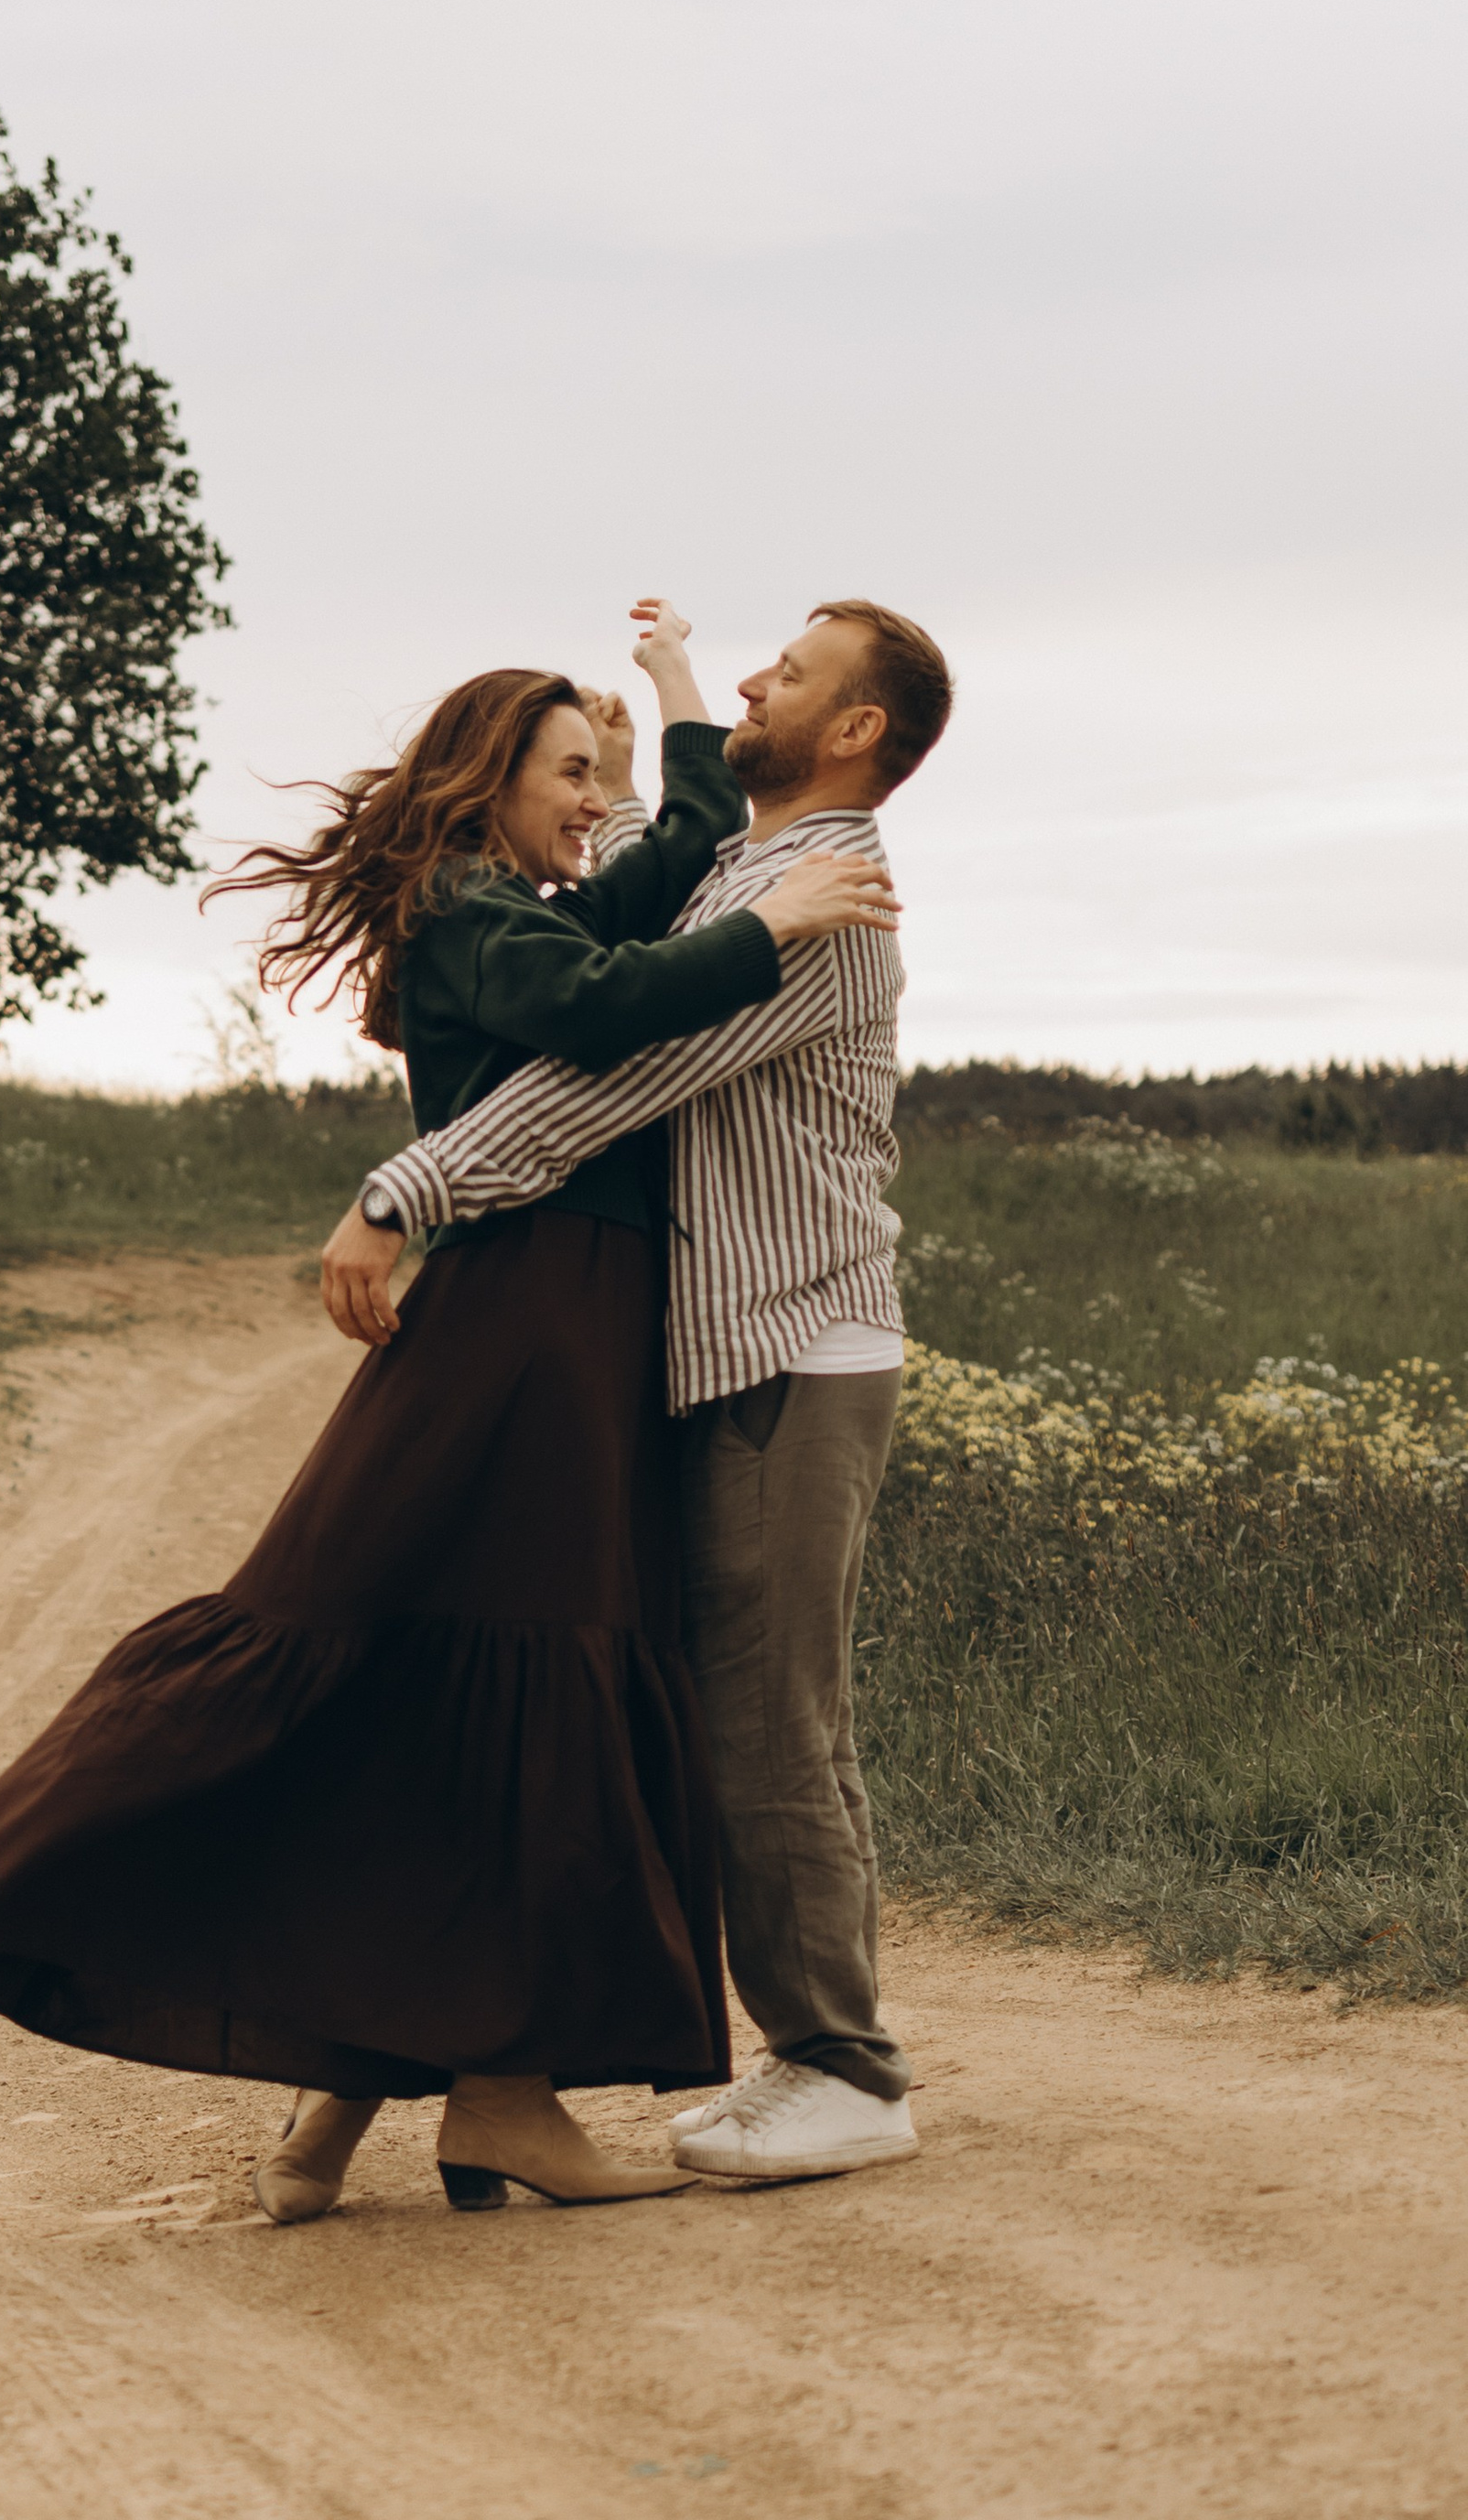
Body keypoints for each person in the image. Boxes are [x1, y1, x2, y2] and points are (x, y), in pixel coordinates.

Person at [0, 606, 896, 2223]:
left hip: (563, 1321)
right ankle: (490, 2096)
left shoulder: (531, 905)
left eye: (594, 780)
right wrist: (770, 932)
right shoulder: (475, 920)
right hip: (547, 1321)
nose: (593, 804)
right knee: (519, 1686)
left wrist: (666, 710)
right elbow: (609, 1025)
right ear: (482, 787)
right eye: (564, 776)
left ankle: (342, 2109)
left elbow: (661, 873)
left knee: (437, 1689)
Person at [323, 600, 953, 2190]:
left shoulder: (834, 899)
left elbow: (622, 1075)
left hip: (792, 1348)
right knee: (724, 1716)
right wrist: (666, 698)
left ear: (857, 729)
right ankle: (752, 2056)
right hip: (726, 1349)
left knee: (771, 1724)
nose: (754, 678)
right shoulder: (752, 877)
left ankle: (841, 2067)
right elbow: (624, 898)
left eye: (789, 673)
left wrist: (408, 1186)